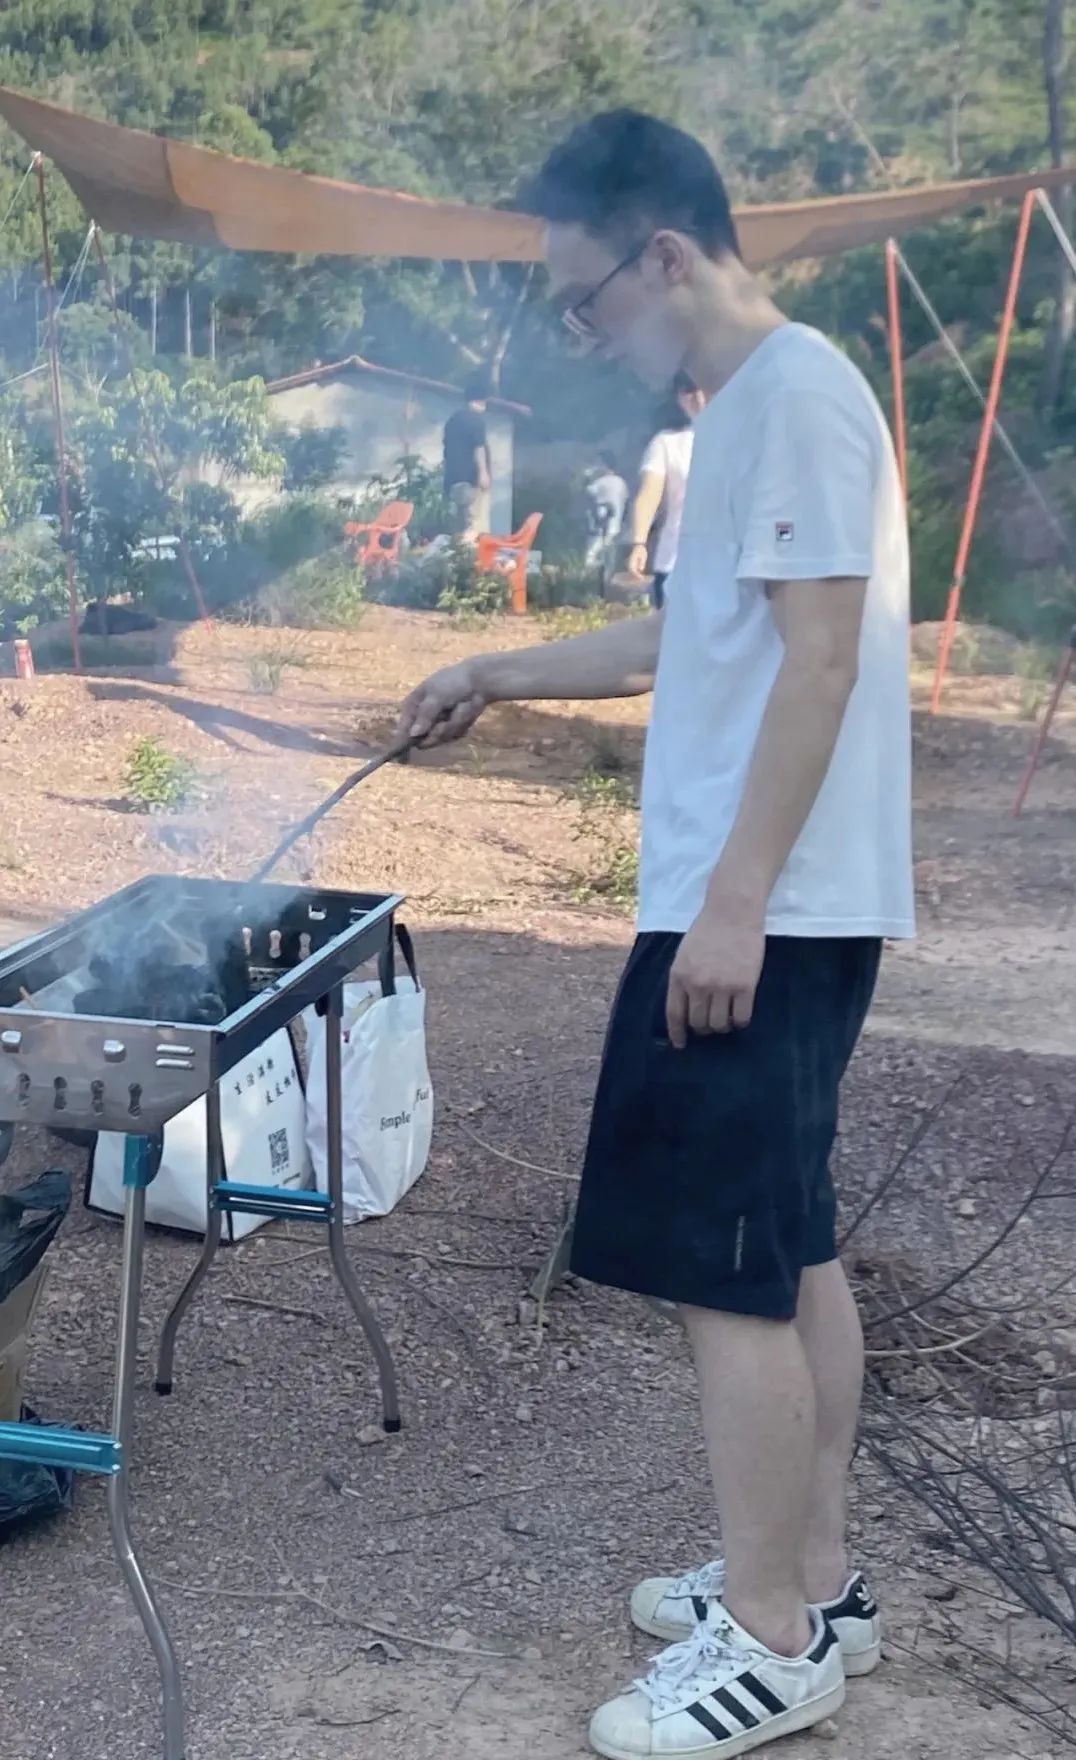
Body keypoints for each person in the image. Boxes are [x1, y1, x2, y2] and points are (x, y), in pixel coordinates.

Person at [399, 108, 912, 1760]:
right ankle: (811, 1584)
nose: (580, 333)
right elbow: (682, 634)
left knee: (730, 1280)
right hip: (758, 905)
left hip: (761, 912)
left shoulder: (796, 396)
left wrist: (734, 907)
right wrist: (490, 669)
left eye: (581, 301)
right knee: (791, 1243)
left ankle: (771, 1645)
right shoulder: (754, 410)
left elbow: (823, 663)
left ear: (665, 254)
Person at [629, 375, 706, 607]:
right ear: (678, 398)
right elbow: (649, 495)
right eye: (688, 391)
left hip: (728, 566)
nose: (697, 398)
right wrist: (638, 543)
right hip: (674, 563)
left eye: (702, 389)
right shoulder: (667, 443)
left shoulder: (744, 441)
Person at [443, 369, 493, 538]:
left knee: (459, 523)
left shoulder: (453, 420)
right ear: (483, 400)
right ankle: (470, 558)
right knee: (474, 524)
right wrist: (484, 473)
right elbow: (478, 448)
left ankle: (456, 555)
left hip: (452, 480)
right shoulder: (477, 421)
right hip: (471, 481)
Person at [584, 450, 630, 572]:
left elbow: (584, 497)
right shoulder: (621, 483)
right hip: (617, 532)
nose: (595, 466)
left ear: (604, 464)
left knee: (591, 562)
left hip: (599, 532)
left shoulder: (599, 483)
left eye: (597, 463)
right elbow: (626, 506)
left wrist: (587, 477)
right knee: (610, 566)